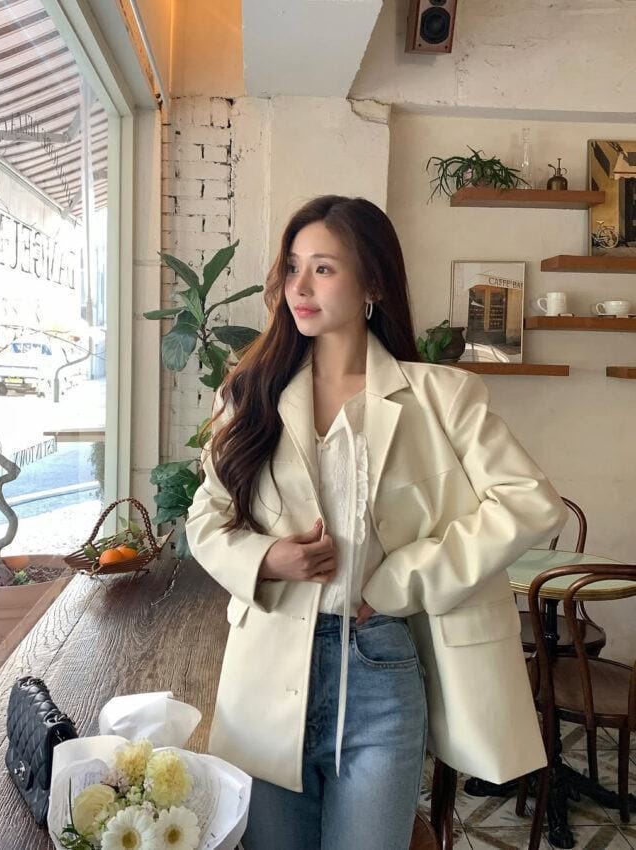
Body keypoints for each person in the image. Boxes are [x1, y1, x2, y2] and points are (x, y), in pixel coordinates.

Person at [185, 195, 568, 850]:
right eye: (293, 266)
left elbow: (530, 501)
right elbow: (205, 519)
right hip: (268, 665)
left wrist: (401, 580)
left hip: (380, 667)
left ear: (374, 284)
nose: (299, 287)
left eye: (324, 268)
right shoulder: (248, 395)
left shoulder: (440, 396)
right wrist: (268, 558)